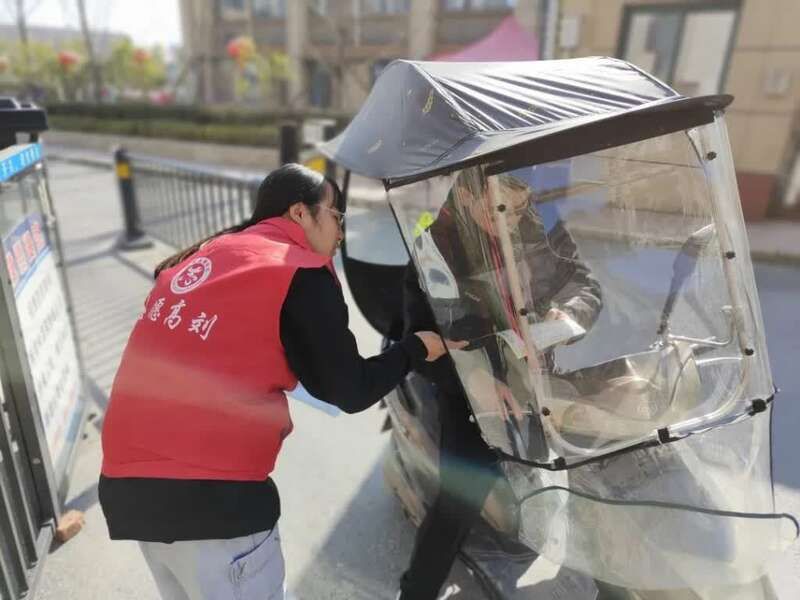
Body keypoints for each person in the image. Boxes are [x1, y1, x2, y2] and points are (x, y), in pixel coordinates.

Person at [98, 164, 450, 600]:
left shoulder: (210, 252)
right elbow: (350, 389)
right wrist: (414, 349)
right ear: (300, 213)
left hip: (130, 491)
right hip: (214, 504)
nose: (340, 232)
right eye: (336, 215)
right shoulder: (296, 268)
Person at [397, 169, 602, 600]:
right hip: (472, 399)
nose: (508, 220)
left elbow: (584, 284)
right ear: (468, 195)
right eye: (496, 209)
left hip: (539, 381)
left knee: (594, 472)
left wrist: (566, 316)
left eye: (518, 206)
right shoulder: (436, 247)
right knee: (457, 502)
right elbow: (421, 345)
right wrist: (477, 377)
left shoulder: (541, 226)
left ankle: (611, 580)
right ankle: (416, 591)